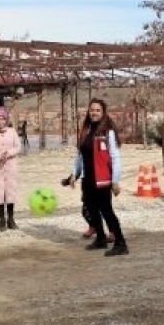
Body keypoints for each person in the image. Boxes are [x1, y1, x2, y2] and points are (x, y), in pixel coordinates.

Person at [69, 98, 128, 256]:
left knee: (107, 211)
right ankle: (101, 238)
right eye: (92, 110)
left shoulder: (107, 132)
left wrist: (115, 181)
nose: (94, 113)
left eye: (97, 110)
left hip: (102, 179)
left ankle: (121, 243)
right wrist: (74, 174)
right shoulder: (86, 130)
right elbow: (80, 156)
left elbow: (115, 157)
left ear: (103, 113)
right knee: (91, 210)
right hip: (87, 178)